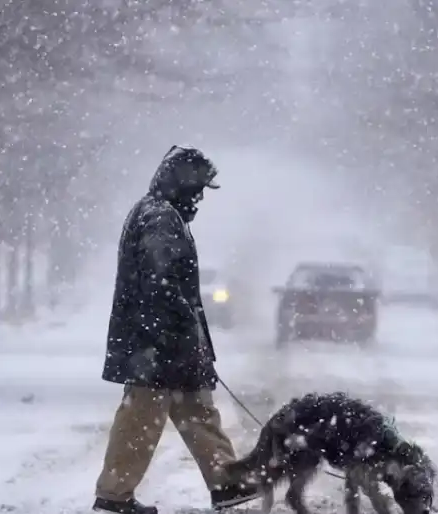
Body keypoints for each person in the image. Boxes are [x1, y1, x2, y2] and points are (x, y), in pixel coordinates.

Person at [93, 146, 260, 514]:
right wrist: (181, 329)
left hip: (164, 340)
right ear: (179, 184)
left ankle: (226, 481)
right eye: (196, 189)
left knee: (196, 408)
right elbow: (161, 281)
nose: (199, 198)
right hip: (156, 342)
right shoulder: (159, 217)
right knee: (141, 417)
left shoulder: (163, 213)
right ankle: (114, 495)